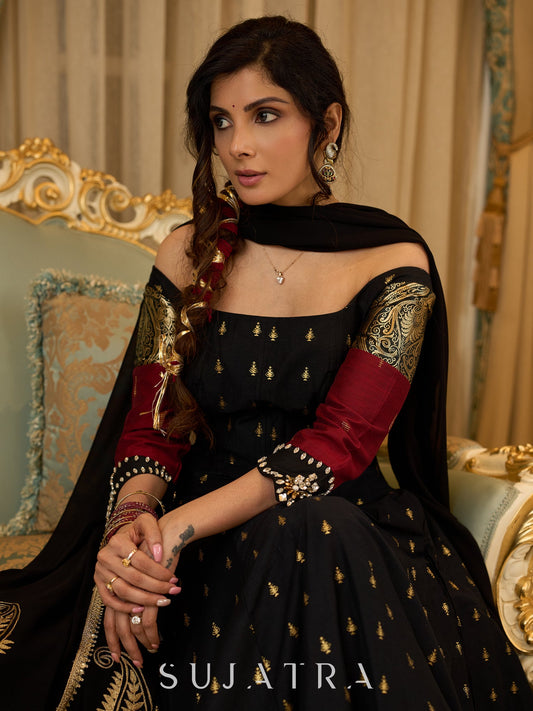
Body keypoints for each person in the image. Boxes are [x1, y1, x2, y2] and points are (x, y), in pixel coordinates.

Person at [1, 15, 531, 711]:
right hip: (196, 549)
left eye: (265, 115)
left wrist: (173, 531)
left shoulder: (395, 265)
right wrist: (133, 528)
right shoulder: (186, 251)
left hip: (335, 540)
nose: (238, 146)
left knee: (313, 528)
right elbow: (153, 424)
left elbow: (340, 441)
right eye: (221, 122)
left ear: (327, 124)